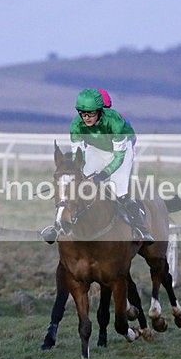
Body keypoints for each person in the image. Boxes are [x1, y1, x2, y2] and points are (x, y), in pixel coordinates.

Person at [40, 88, 153, 244]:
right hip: (97, 149)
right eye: (82, 113)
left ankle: (141, 228)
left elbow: (119, 157)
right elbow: (78, 156)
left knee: (118, 191)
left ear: (100, 111)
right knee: (82, 186)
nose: (86, 117)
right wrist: (77, 175)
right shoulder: (76, 125)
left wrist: (101, 175)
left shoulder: (115, 122)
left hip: (121, 151)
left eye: (91, 113)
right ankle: (60, 224)